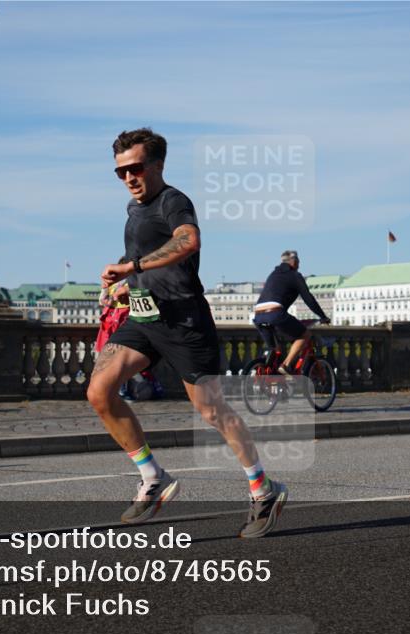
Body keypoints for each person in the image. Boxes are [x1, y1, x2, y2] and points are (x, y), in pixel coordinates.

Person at [87, 127, 287, 538]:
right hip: (144, 319)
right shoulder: (133, 209)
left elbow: (188, 241)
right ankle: (153, 477)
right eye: (120, 172)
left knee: (213, 412)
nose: (129, 177)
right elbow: (143, 258)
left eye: (136, 168)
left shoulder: (173, 201)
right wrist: (122, 281)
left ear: (158, 165)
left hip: (184, 323)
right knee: (98, 391)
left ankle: (263, 489)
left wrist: (133, 268)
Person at [253, 250, 331, 374]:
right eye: (299, 262)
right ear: (293, 262)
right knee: (304, 335)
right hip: (275, 313)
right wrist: (322, 316)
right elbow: (308, 299)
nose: (299, 265)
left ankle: (265, 372)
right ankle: (286, 365)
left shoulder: (273, 274)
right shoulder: (295, 276)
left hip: (258, 315)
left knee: (275, 350)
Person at [96, 265, 164, 402]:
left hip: (122, 320)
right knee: (118, 359)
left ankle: (121, 389)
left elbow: (103, 301)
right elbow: (103, 300)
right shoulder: (124, 282)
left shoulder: (132, 282)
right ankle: (120, 389)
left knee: (122, 359)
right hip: (116, 321)